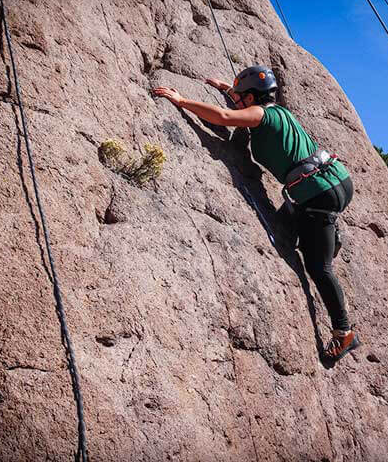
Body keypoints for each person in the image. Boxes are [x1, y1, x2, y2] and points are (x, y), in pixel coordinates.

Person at [153, 65, 359, 361]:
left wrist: (182, 101)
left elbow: (225, 117)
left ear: (251, 98)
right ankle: (325, 233)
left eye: (240, 96)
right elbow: (244, 111)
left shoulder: (261, 115)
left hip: (317, 195)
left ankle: (344, 333)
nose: (235, 100)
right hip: (333, 181)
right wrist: (227, 89)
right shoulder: (280, 112)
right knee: (289, 225)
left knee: (319, 268)